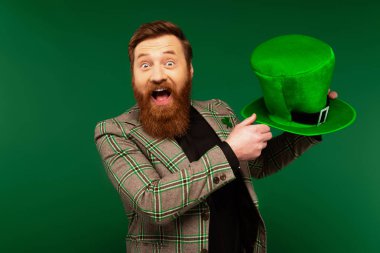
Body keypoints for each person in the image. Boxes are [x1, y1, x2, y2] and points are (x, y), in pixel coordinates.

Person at [94, 20, 338, 253]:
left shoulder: (217, 110)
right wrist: (229, 151)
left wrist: (311, 121)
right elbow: (153, 202)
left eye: (169, 63)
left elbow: (258, 165)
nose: (157, 75)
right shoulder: (115, 131)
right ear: (134, 76)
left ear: (189, 70)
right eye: (145, 65)